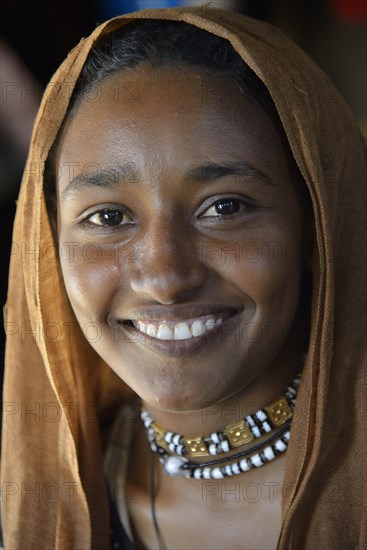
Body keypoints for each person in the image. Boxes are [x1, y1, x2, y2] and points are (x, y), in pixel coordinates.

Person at [1, 6, 366, 550]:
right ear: (49, 245)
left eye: (224, 207)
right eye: (107, 217)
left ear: (317, 224)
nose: (166, 278)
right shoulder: (47, 493)